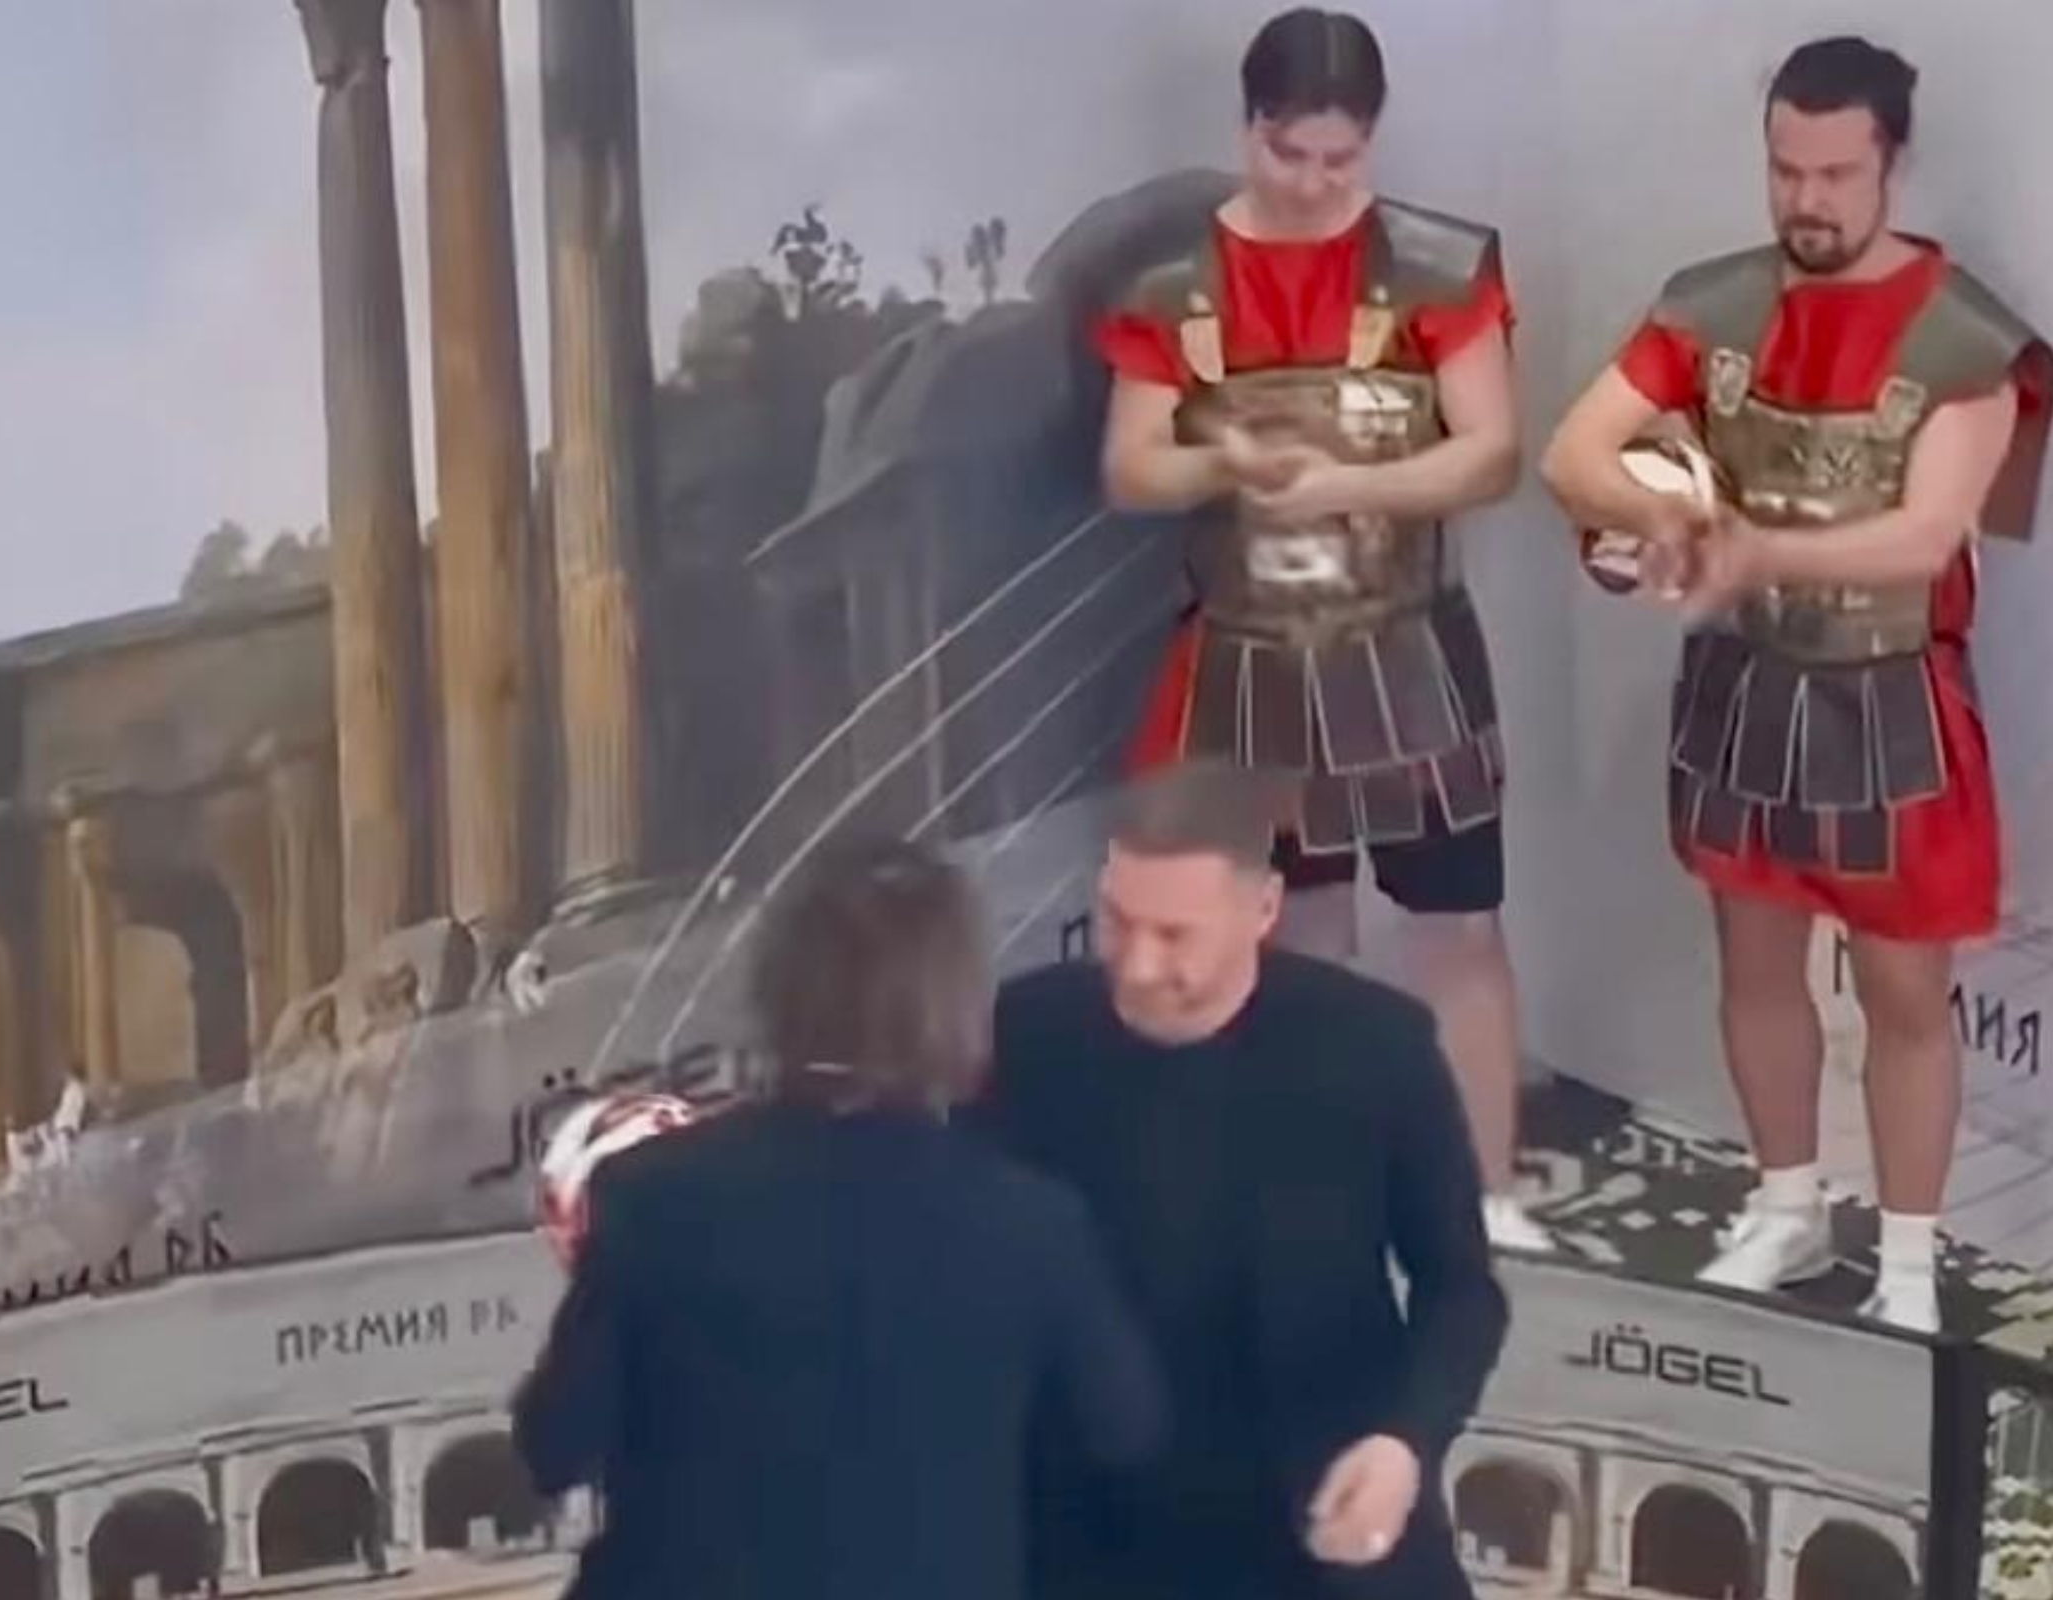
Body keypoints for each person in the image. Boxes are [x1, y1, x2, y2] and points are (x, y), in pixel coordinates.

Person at [1541, 36, 2053, 1333]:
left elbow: (1924, 536)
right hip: (1744, 686)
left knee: (1903, 996)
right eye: (1787, 171)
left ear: (1893, 165)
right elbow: (1574, 455)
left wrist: (1750, 547)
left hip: (1893, 700)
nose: (1807, 200)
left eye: (1835, 174)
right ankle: (1786, 1206)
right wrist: (1669, 515)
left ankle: (1908, 1263)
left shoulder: (1966, 339)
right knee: (1756, 964)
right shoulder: (1711, 303)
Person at [1094, 5, 1547, 1252]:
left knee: (1458, 925)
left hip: (1408, 647)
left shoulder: (1439, 267)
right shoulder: (1173, 286)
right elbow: (1130, 467)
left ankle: (1487, 1194)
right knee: (1299, 939)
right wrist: (1223, 459)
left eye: (1340, 160)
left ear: (1372, 141)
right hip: (1249, 656)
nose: (1313, 182)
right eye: (1289, 153)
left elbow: (1491, 453)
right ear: (1250, 128)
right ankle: (1329, 1199)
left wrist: (1349, 482)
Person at [511, 836, 1165, 1600]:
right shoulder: (1033, 1224)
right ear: (955, 1004)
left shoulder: (651, 1193)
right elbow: (1127, 1432)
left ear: (779, 990)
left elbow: (552, 1449)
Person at [968, 760, 1508, 1600]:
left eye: (1173, 934)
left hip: (1317, 1514)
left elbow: (1462, 1289)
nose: (1136, 965)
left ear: (1262, 910)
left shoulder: (1376, 1047)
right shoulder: (1029, 1032)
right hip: (1086, 1528)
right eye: (1116, 921)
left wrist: (1405, 1443)